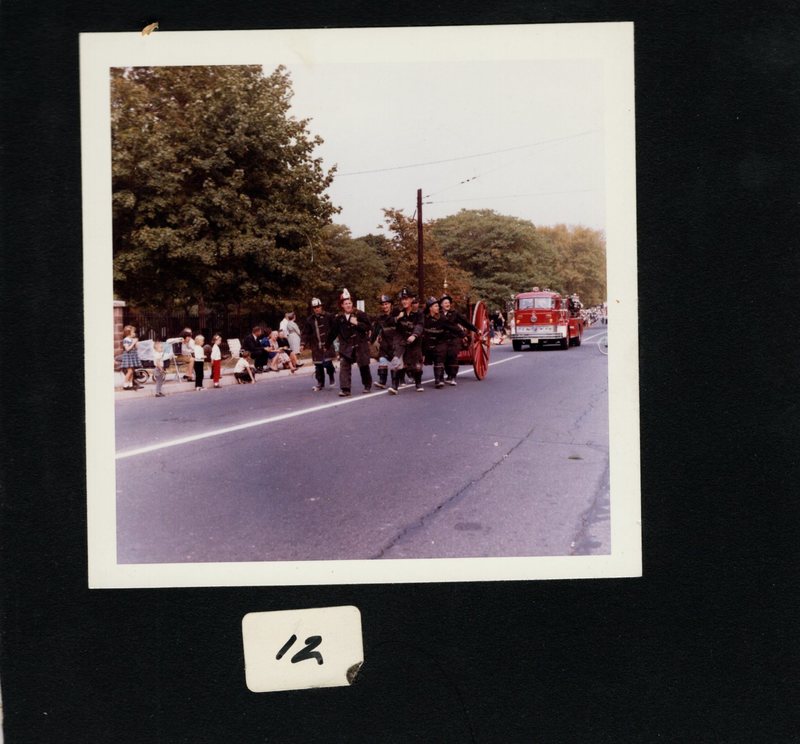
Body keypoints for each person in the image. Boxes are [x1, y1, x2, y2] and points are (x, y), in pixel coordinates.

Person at [327, 288, 372, 396]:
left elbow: (368, 327)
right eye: (345, 303)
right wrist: (327, 344)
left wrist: (357, 323)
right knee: (344, 366)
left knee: (363, 366)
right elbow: (333, 332)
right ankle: (345, 389)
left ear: (352, 303)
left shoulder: (360, 314)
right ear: (342, 305)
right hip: (346, 346)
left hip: (360, 344)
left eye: (349, 303)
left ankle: (367, 384)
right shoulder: (339, 318)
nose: (348, 305)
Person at [389, 288, 424, 394]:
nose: (404, 301)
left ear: (411, 299)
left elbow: (420, 325)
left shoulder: (418, 314)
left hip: (414, 342)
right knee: (396, 362)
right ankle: (394, 387)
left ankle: (418, 383)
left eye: (406, 299)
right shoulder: (398, 312)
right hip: (401, 342)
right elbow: (388, 321)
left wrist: (414, 335)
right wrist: (397, 318)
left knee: (416, 366)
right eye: (402, 299)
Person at [439, 294, 479, 386]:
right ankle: (448, 374)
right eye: (445, 303)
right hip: (443, 338)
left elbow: (465, 323)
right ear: (441, 304)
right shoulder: (439, 314)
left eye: (448, 302)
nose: (447, 304)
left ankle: (452, 376)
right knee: (443, 355)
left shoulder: (455, 313)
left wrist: (476, 330)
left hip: (454, 337)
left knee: (453, 355)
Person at [422, 296, 459, 389]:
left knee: (441, 357)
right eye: (436, 306)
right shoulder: (425, 317)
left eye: (448, 302)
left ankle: (441, 379)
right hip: (430, 341)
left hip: (445, 340)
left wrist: (464, 334)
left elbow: (453, 327)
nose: (438, 307)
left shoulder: (448, 315)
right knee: (434, 358)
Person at [301, 298, 337, 392]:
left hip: (327, 345)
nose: (317, 309)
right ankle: (320, 383)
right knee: (318, 365)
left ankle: (331, 375)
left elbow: (335, 328)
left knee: (327, 363)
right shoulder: (310, 319)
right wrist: (303, 344)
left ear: (321, 306)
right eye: (315, 307)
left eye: (318, 307)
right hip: (316, 345)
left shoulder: (329, 316)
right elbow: (305, 333)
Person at [370, 294, 396, 389]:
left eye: (387, 304)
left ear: (390, 304)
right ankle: (382, 381)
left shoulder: (397, 315)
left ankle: (395, 382)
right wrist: (370, 341)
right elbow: (375, 331)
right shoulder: (380, 318)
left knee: (395, 364)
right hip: (384, 344)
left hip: (395, 344)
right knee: (382, 360)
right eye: (383, 304)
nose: (385, 306)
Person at [120, 325, 142, 391]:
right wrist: (133, 343)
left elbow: (137, 348)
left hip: (132, 356)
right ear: (128, 333)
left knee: (132, 371)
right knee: (129, 371)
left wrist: (136, 343)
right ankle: (125, 385)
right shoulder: (126, 340)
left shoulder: (131, 339)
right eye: (133, 332)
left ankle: (130, 385)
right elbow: (127, 349)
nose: (134, 333)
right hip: (128, 357)